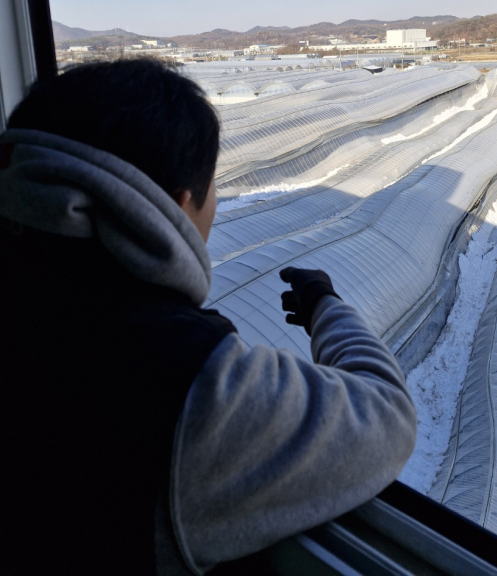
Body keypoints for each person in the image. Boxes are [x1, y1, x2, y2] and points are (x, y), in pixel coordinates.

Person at [0, 59, 416, 575]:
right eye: (214, 188)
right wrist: (326, 309)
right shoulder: (184, 378)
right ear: (178, 205)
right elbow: (385, 418)